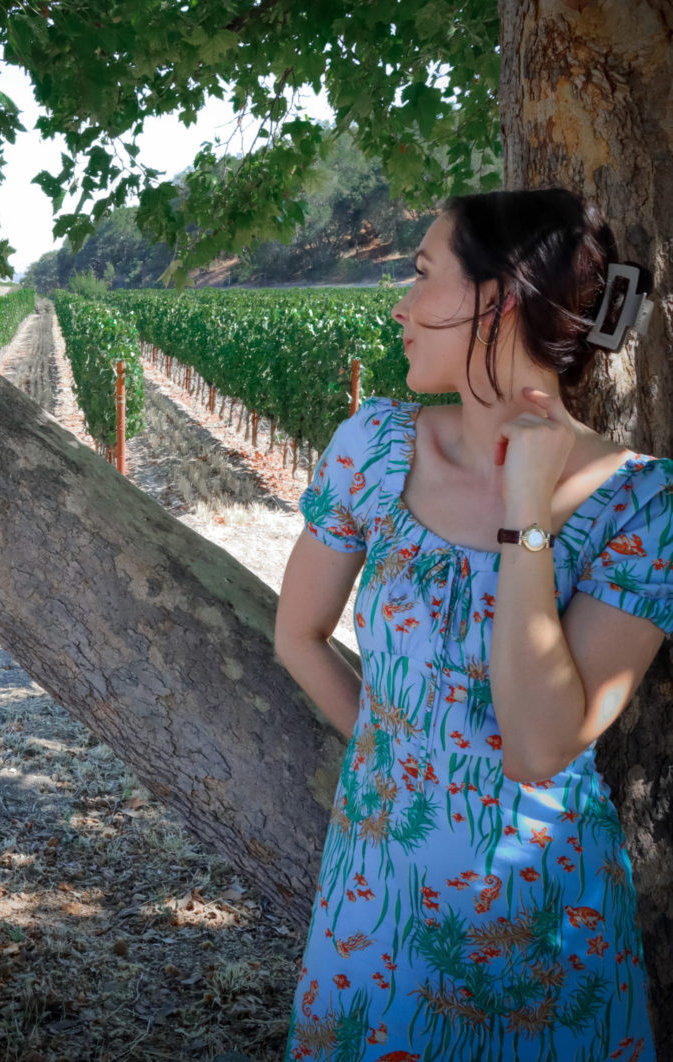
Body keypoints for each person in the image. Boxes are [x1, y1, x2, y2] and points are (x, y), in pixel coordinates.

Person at [275, 189, 671, 1062]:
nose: (401, 305)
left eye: (421, 276)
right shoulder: (373, 447)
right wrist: (403, 759)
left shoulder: (640, 503)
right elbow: (297, 635)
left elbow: (539, 749)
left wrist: (526, 512)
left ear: (498, 300)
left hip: (547, 920)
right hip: (377, 904)